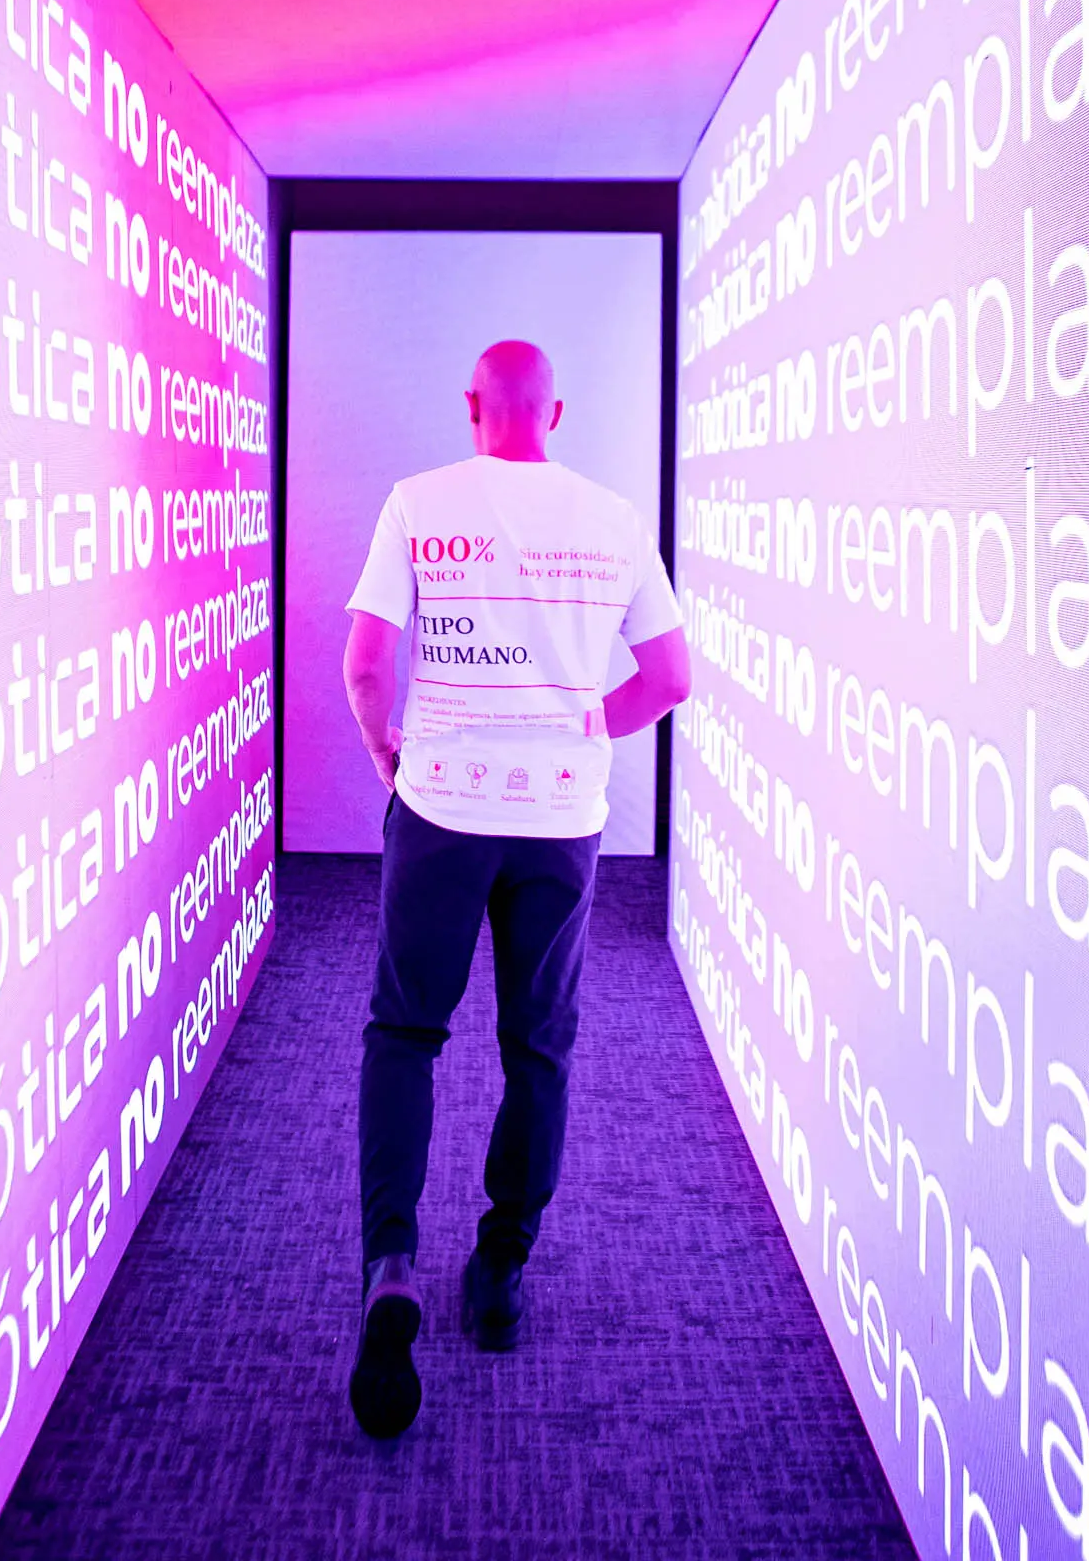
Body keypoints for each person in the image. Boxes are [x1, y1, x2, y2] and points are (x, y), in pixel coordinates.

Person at [341, 339, 691, 1438]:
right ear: (556, 414)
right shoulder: (612, 517)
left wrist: (387, 750)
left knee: (406, 1033)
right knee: (538, 1047)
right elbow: (670, 677)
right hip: (558, 820)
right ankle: (498, 1270)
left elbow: (366, 663)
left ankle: (391, 1262)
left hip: (442, 806)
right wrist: (591, 722)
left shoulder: (419, 501)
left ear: (471, 406)